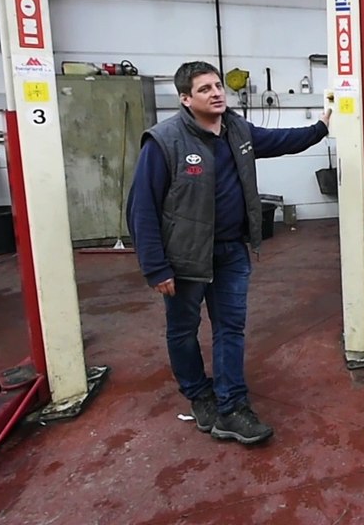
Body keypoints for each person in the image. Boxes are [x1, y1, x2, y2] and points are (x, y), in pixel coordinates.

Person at [127, 61, 330, 445]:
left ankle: (232, 407)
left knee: (230, 328)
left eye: (218, 86)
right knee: (184, 331)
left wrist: (321, 128)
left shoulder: (238, 130)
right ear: (185, 99)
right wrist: (155, 266)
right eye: (204, 89)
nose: (216, 93)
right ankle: (199, 394)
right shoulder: (164, 141)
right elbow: (142, 208)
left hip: (232, 251)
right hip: (185, 258)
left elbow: (282, 140)